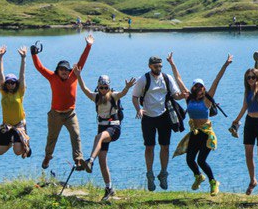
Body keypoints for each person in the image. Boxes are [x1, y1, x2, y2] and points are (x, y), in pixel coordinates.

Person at [168, 53, 231, 195]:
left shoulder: (207, 100)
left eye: (201, 86)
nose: (199, 88)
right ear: (193, 88)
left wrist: (225, 65)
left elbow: (216, 81)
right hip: (195, 133)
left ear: (204, 88)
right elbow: (178, 79)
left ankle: (213, 182)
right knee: (190, 159)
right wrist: (172, 63)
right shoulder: (188, 99)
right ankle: (198, 176)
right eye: (196, 86)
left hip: (206, 134)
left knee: (201, 160)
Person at [31, 34, 92, 171]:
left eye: (66, 70)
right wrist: (34, 54)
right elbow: (40, 67)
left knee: (76, 135)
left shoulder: (74, 76)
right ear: (57, 71)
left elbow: (82, 62)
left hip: (70, 114)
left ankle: (78, 160)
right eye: (62, 69)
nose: (64, 72)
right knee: (52, 138)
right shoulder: (52, 77)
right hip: (55, 115)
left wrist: (88, 46)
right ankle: (48, 157)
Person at [78, 73, 137, 200]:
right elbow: (84, 89)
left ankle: (90, 161)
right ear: (98, 87)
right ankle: (109, 188)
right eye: (101, 88)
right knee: (102, 160)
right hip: (102, 126)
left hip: (114, 127)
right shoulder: (96, 97)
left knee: (98, 137)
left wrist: (127, 87)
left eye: (105, 87)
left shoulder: (113, 96)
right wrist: (78, 75)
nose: (103, 90)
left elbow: (122, 94)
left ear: (109, 88)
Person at [134, 54, 181, 191]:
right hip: (148, 117)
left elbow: (175, 94)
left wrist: (182, 95)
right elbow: (135, 97)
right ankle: (150, 175)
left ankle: (163, 173)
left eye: (160, 66)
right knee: (149, 147)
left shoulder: (167, 78)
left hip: (164, 116)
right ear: (150, 66)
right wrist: (139, 109)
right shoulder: (144, 79)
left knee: (165, 146)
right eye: (156, 66)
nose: (158, 68)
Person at [229, 52, 258, 197]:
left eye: (253, 77)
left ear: (257, 78)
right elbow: (244, 107)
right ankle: (253, 180)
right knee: (248, 153)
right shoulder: (247, 91)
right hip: (250, 122)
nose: (250, 79)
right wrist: (236, 120)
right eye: (248, 78)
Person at [0, 45, 31, 158]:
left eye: (13, 82)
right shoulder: (3, 93)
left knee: (18, 152)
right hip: (7, 125)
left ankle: (24, 142)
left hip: (19, 125)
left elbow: (22, 76)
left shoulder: (20, 92)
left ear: (16, 84)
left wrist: (23, 59)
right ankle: (11, 142)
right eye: (8, 82)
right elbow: (0, 74)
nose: (10, 84)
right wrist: (0, 58)